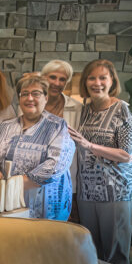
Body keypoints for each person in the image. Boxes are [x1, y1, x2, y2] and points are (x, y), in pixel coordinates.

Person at [68, 59, 132, 264]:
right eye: (91, 78)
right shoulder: (85, 110)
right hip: (87, 194)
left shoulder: (122, 111)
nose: (96, 83)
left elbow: (126, 154)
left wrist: (88, 145)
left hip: (116, 193)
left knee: (115, 256)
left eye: (102, 78)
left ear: (112, 81)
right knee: (92, 254)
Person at [0, 73, 74, 220]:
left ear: (46, 98)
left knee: (43, 242)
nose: (30, 98)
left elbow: (56, 165)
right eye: (25, 94)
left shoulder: (58, 126)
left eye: (36, 94)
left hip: (45, 207)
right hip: (9, 206)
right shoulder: (6, 126)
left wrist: (14, 185)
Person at [42, 59, 83, 221]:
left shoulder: (77, 108)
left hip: (67, 178)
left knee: (64, 226)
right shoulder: (28, 104)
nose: (57, 83)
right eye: (52, 77)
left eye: (62, 79)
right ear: (43, 77)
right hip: (34, 178)